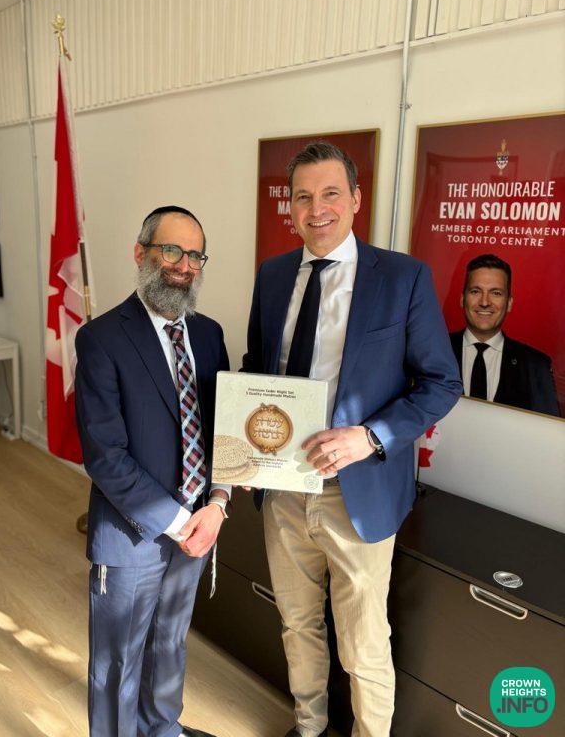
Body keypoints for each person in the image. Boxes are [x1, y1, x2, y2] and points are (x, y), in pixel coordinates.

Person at [242, 142, 462, 737]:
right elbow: (259, 368)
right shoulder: (271, 275)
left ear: (356, 200)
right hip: (284, 490)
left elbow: (442, 382)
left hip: (358, 494)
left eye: (330, 193)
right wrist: (245, 445)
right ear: (290, 206)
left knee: (363, 642)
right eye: (303, 196)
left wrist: (371, 437)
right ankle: (309, 726)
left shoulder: (403, 278)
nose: (317, 209)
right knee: (297, 624)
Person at [75, 205, 231, 737]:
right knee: (118, 659)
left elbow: (223, 432)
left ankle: (162, 729)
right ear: (141, 253)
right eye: (171, 250)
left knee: (169, 644)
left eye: (195, 255)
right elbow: (105, 455)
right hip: (133, 533)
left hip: (198, 526)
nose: (184, 265)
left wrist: (218, 503)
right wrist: (179, 522)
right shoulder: (101, 339)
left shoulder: (209, 334)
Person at [450, 253, 560, 417]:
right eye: (475, 291)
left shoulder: (536, 365)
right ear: (462, 299)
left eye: (496, 293)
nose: (485, 302)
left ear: (509, 303)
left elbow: (547, 429)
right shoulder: (435, 351)